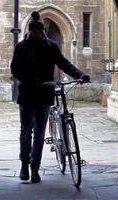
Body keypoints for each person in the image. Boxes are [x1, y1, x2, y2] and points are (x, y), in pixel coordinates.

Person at [10, 11, 89, 183]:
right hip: (27, 95)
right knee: (26, 131)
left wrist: (79, 74)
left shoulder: (51, 47)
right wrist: (30, 79)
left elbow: (64, 63)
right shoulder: (21, 47)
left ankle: (35, 167)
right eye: (34, 32)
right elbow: (15, 69)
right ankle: (24, 164)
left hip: (45, 95)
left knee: (39, 133)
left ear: (43, 31)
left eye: (39, 31)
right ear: (30, 31)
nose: (37, 34)